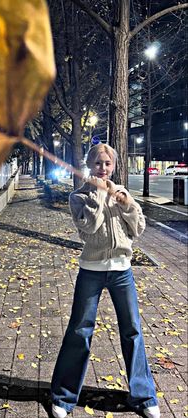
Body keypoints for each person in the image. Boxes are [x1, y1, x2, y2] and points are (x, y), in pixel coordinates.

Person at [51, 144, 160, 418]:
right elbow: (88, 228)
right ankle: (63, 397)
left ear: (114, 166)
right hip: (91, 270)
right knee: (79, 330)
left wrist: (127, 206)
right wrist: (99, 195)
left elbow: (138, 228)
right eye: (98, 163)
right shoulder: (79, 196)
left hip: (122, 270)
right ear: (90, 164)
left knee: (132, 330)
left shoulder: (121, 192)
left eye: (108, 164)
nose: (103, 168)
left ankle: (144, 397)